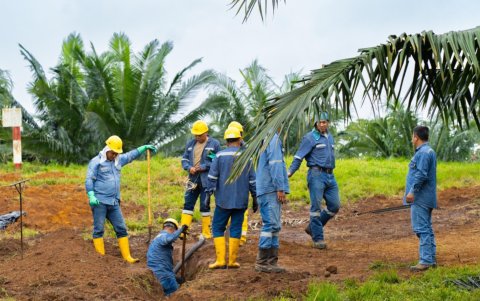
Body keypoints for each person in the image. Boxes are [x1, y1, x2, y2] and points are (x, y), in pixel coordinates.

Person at [85, 135, 156, 263]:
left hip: (114, 202)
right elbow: (89, 179)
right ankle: (100, 258)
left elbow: (130, 155)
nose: (115, 155)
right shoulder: (96, 162)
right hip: (99, 201)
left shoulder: (118, 160)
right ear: (107, 149)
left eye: (117, 153)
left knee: (121, 228)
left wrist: (143, 148)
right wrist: (91, 194)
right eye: (113, 153)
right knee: (99, 229)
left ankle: (127, 257)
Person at [287, 112, 340, 250]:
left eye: (325, 122)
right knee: (316, 208)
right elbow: (298, 157)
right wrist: (290, 171)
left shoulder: (330, 137)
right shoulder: (310, 138)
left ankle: (312, 227)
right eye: (320, 122)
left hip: (330, 175)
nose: (323, 124)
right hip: (316, 175)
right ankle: (318, 238)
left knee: (334, 206)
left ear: (328, 123)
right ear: (316, 124)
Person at [207, 127, 257, 269]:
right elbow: (253, 180)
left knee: (217, 227)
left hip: (223, 200)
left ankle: (221, 260)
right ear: (239, 139)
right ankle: (232, 261)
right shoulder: (247, 156)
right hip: (241, 200)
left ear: (226, 140)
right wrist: (255, 197)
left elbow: (212, 177)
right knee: (236, 228)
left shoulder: (219, 156)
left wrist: (208, 194)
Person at [255, 131, 289, 273]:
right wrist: (280, 187)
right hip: (270, 188)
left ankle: (271, 262)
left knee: (275, 226)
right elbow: (275, 164)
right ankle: (263, 261)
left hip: (267, 188)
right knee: (271, 225)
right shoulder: (273, 139)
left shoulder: (266, 138)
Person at [404, 125, 437, 271]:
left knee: (421, 229)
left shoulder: (423, 153)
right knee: (426, 228)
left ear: (416, 137)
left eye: (413, 136)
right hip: (427, 196)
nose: (412, 138)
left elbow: (421, 174)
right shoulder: (429, 151)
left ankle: (425, 261)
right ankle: (430, 258)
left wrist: (412, 192)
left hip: (420, 197)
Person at [180, 120, 221, 238]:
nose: (197, 137)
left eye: (200, 135)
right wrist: (189, 168)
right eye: (196, 135)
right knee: (188, 203)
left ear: (206, 133)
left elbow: (217, 160)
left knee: (205, 204)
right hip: (192, 179)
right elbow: (184, 159)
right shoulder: (190, 144)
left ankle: (206, 233)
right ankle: (183, 231)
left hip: (206, 180)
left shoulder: (214, 144)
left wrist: (204, 167)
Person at [147, 218, 188, 297]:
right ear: (171, 228)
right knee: (176, 295)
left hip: (157, 274)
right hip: (164, 275)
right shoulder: (164, 236)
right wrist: (181, 230)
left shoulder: (157, 238)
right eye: (175, 231)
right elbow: (170, 238)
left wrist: (176, 278)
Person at [227, 121, 250, 245]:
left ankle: (241, 237)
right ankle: (234, 236)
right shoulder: (230, 148)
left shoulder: (246, 149)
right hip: (231, 183)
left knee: (242, 210)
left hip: (240, 183)